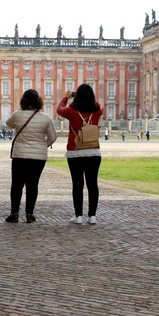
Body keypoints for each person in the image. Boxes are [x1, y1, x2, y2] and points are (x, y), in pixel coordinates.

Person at [5, 89, 58, 223]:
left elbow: (8, 124)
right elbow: (53, 137)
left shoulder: (17, 115)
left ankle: (14, 214)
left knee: (17, 185)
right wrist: (42, 145)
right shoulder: (45, 118)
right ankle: (29, 214)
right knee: (32, 185)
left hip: (20, 156)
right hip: (38, 158)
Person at [57, 84, 104, 224]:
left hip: (75, 152)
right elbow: (99, 105)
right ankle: (92, 216)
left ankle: (78, 216)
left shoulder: (71, 111)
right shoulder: (97, 111)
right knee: (92, 184)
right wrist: (90, 98)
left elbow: (59, 109)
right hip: (93, 151)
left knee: (77, 184)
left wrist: (66, 97)